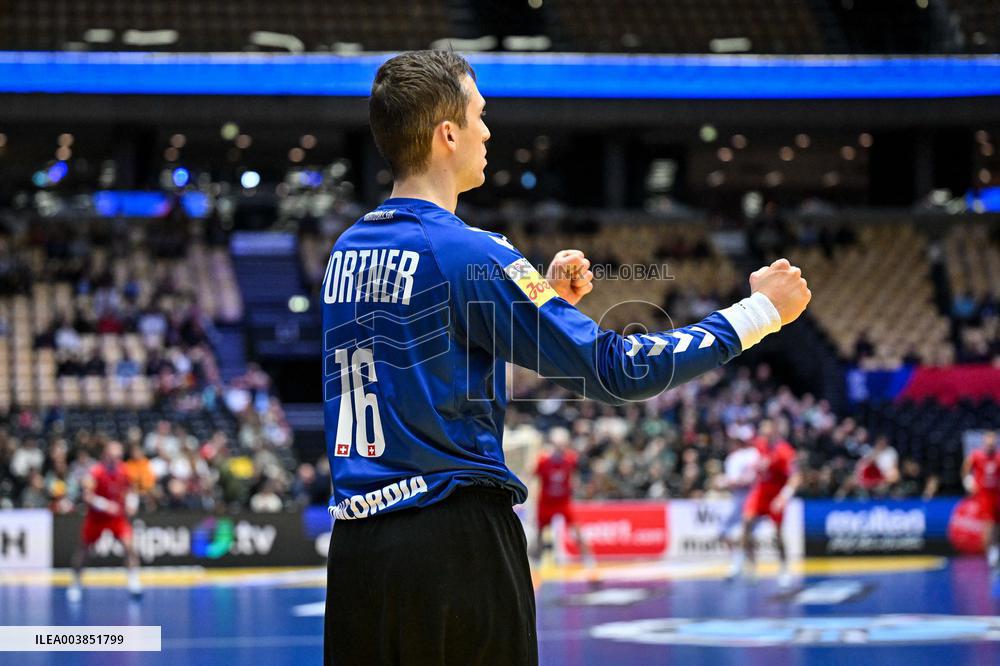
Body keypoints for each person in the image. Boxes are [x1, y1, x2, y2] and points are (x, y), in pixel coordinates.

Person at [321, 50, 811, 665]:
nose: (487, 131)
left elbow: (430, 362)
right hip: (452, 546)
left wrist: (540, 304)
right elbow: (618, 369)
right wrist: (759, 313)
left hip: (357, 553)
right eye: (479, 115)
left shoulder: (346, 251)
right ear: (447, 134)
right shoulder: (469, 252)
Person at [67, 440, 142, 602]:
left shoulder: (124, 470)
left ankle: (133, 581)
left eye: (118, 456)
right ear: (105, 455)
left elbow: (132, 489)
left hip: (117, 518)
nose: (115, 459)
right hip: (97, 518)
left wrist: (132, 502)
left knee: (129, 547)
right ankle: (75, 583)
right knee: (83, 550)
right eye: (112, 456)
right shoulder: (96, 472)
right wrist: (105, 505)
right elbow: (87, 496)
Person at [739, 419, 799, 588]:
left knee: (778, 534)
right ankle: (751, 567)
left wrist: (783, 497)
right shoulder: (759, 445)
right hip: (760, 493)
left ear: (774, 431)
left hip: (776, 495)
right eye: (762, 432)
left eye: (767, 431)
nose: (764, 435)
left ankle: (784, 568)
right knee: (746, 524)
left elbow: (796, 477)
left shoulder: (785, 451)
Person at [532, 427, 594, 566]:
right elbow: (534, 478)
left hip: (563, 501)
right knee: (540, 532)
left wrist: (577, 486)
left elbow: (576, 475)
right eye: (557, 444)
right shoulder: (543, 461)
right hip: (546, 501)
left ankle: (588, 557)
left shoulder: (570, 459)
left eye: (562, 444)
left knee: (576, 529)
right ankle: (537, 560)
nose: (559, 447)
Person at [722, 437, 760, 579]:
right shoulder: (738, 456)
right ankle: (740, 563)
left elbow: (737, 481)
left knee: (746, 533)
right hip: (739, 498)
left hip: (752, 497)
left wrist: (727, 482)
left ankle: (745, 567)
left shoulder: (753, 453)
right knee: (727, 531)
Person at [962, 431, 1000, 569]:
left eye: (993, 444)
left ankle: (996, 550)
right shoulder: (976, 456)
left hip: (997, 495)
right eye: (988, 443)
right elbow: (966, 468)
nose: (990, 446)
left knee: (997, 525)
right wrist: (968, 481)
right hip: (984, 495)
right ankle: (989, 554)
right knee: (988, 525)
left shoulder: (998, 457)